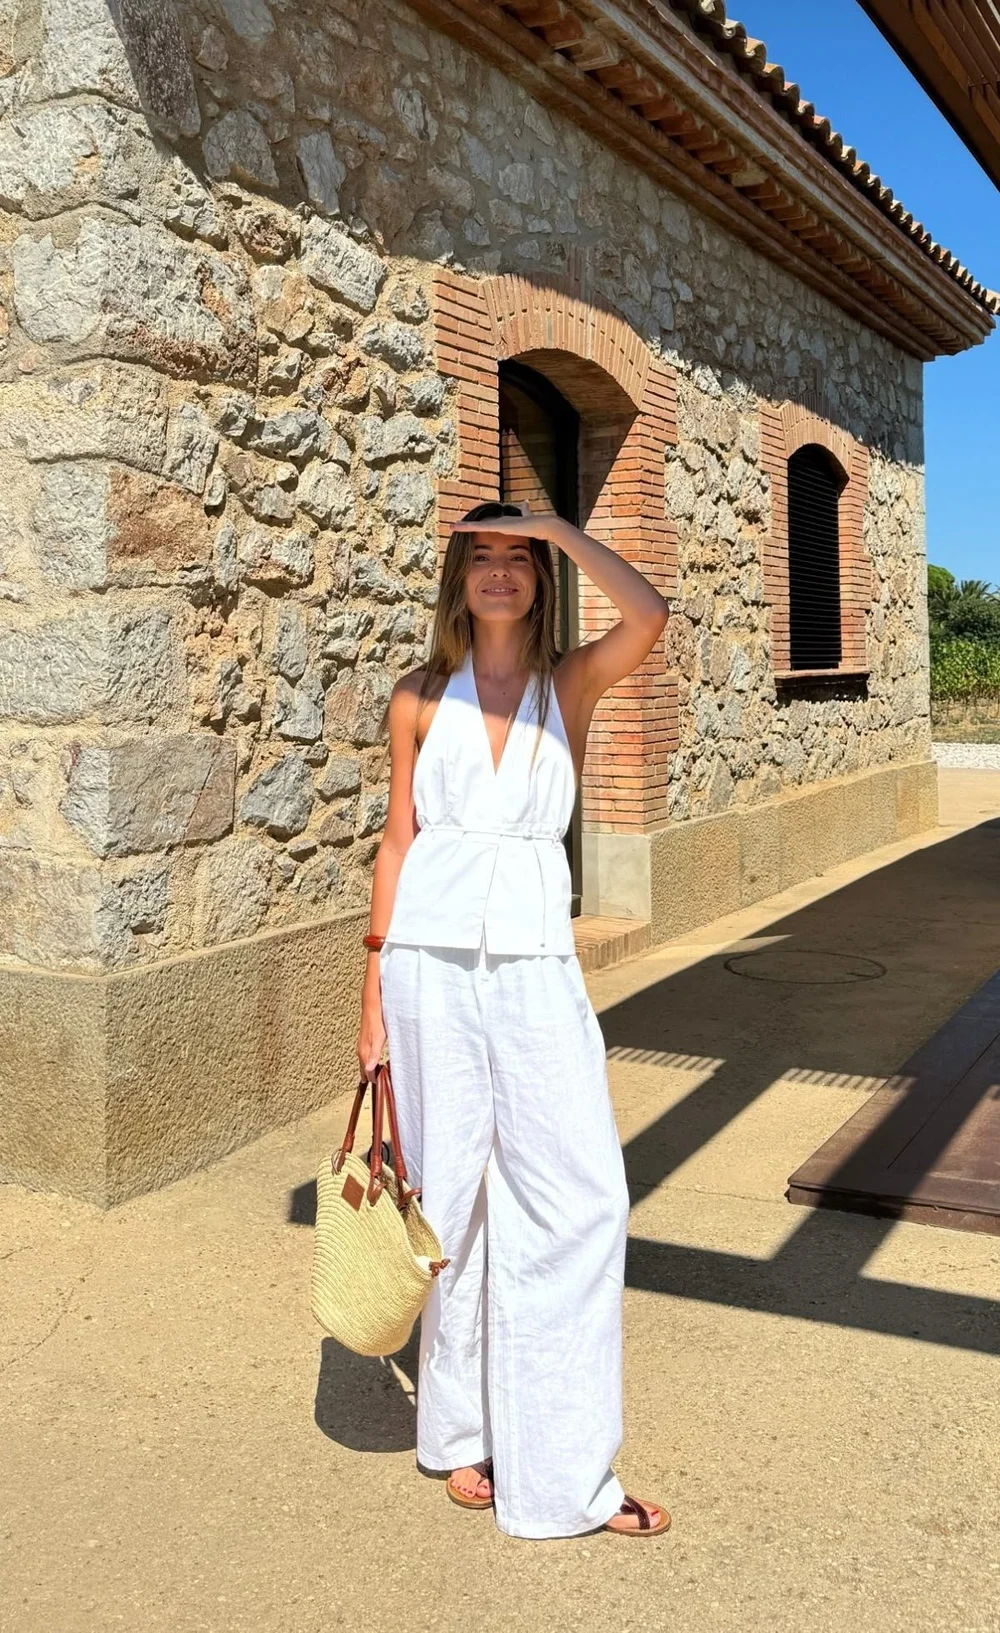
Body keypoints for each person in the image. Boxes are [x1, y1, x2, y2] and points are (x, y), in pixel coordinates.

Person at [356, 500, 671, 1540]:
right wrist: (372, 1008)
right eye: (481, 556)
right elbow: (395, 846)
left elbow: (649, 613)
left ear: (539, 578)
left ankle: (565, 1469)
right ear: (459, 576)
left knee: (581, 1200)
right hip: (426, 970)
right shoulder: (414, 697)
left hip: (536, 966)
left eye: (517, 559)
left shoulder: (566, 685)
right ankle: (457, 1431)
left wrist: (555, 525)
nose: (499, 572)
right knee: (449, 1202)